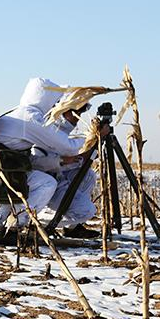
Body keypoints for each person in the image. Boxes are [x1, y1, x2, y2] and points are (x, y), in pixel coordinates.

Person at [0, 78, 108, 242]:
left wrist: (60, 161)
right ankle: (16, 227)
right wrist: (95, 136)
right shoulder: (31, 119)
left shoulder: (16, 113)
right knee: (46, 183)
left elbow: (28, 159)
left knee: (24, 182)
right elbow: (69, 146)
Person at [31, 101, 100, 238]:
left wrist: (90, 149)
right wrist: (63, 161)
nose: (77, 117)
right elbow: (37, 162)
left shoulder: (61, 132)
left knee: (88, 175)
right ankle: (42, 224)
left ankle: (73, 227)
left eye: (79, 113)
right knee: (88, 211)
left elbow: (70, 158)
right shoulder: (46, 130)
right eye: (74, 112)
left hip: (57, 178)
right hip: (47, 185)